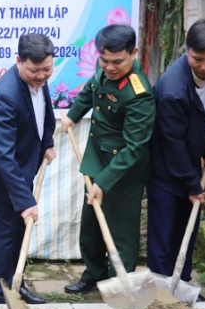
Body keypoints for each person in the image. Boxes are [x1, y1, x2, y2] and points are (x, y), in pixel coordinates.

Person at [61, 24, 155, 295]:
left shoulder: (140, 94)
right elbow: (91, 91)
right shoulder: (103, 67)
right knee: (91, 226)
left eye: (117, 62)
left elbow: (135, 147)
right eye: (105, 60)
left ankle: (119, 285)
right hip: (97, 158)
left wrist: (103, 182)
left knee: (120, 232)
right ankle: (94, 274)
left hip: (123, 170)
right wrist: (73, 115)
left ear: (133, 53)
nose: (110, 67)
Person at [0, 33, 56, 305]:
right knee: (6, 236)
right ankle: (1, 295)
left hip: (22, 168)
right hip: (2, 176)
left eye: (47, 69)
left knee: (20, 231)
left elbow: (43, 114)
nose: (41, 76)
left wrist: (47, 143)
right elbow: (3, 155)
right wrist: (25, 201)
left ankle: (16, 284)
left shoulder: (38, 79)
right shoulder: (6, 96)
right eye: (35, 70)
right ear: (19, 61)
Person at [147, 19, 205, 300]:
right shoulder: (173, 90)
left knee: (187, 230)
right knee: (164, 236)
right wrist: (194, 185)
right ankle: (160, 295)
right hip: (165, 170)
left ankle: (181, 288)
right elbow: (173, 144)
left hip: (190, 164)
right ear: (187, 49)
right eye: (198, 59)